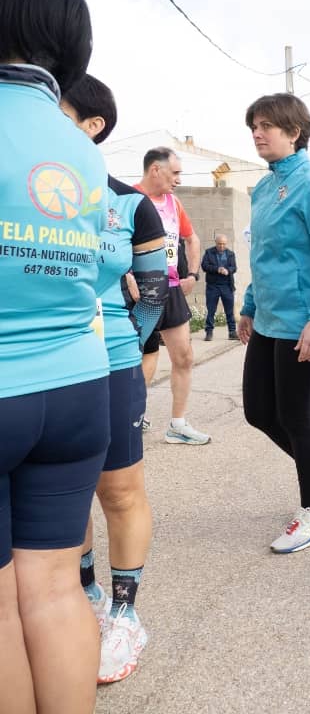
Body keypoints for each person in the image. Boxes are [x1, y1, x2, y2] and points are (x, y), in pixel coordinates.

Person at [0, 0, 109, 713]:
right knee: (56, 589)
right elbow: (95, 273)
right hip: (76, 387)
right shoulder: (81, 149)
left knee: (4, 606)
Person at [60, 74, 169, 684]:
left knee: (118, 490)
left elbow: (153, 292)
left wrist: (122, 340)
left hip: (110, 364)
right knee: (63, 492)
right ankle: (85, 594)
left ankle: (124, 614)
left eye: (58, 110)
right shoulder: (23, 189)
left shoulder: (130, 204)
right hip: (40, 367)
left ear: (92, 124)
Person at [238, 93, 310, 553]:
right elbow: (263, 256)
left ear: (294, 132)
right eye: (254, 126)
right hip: (268, 319)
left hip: (302, 324)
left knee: (295, 416)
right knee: (257, 411)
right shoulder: (265, 188)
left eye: (267, 125)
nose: (257, 133)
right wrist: (248, 305)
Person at [136, 147, 211, 445]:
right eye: (175, 173)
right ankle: (130, 417)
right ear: (156, 169)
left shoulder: (173, 203)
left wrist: (191, 274)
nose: (179, 179)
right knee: (135, 359)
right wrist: (125, 276)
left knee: (184, 356)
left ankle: (177, 425)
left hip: (170, 288)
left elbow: (192, 239)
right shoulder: (128, 198)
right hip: (140, 292)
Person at [201, 234, 238, 341]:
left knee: (229, 310)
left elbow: (234, 267)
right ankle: (209, 332)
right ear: (215, 243)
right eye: (219, 244)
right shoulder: (209, 252)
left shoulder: (230, 254)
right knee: (211, 310)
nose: (221, 246)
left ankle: (232, 332)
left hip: (227, 285)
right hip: (213, 286)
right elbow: (204, 266)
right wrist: (217, 269)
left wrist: (228, 271)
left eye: (223, 244)